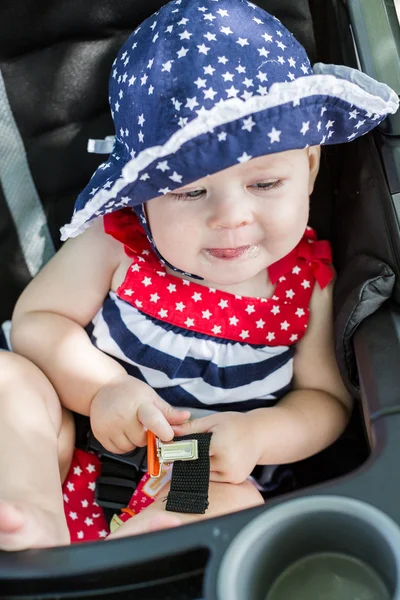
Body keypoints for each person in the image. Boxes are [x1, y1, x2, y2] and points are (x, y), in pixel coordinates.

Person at [1, 0, 398, 550]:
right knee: (8, 380)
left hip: (195, 462)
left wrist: (257, 435)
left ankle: (136, 550)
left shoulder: (308, 280)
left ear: (308, 167)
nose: (231, 217)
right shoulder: (117, 242)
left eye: (264, 185)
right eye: (191, 192)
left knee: (232, 498)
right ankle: (30, 515)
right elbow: (38, 320)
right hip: (72, 436)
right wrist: (104, 389)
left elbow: (325, 402)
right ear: (142, 196)